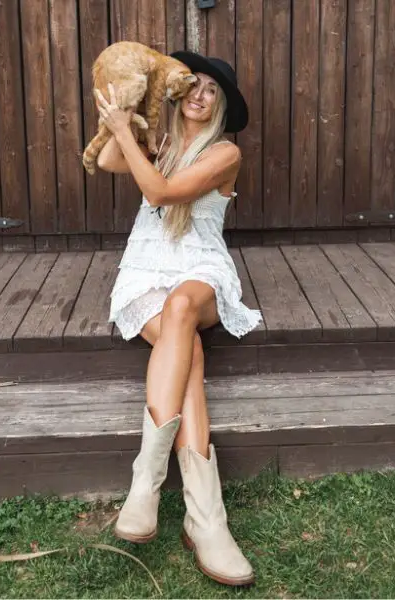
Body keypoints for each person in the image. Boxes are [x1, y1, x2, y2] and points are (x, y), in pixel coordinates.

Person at [95, 51, 261, 587]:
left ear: (220, 106)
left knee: (182, 307)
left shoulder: (226, 153)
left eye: (212, 90)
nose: (199, 95)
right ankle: (206, 519)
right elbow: (106, 164)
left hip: (198, 268)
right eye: (193, 84)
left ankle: (145, 481)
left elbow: (160, 191)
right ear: (178, 91)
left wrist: (126, 131)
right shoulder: (161, 144)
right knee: (184, 346)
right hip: (146, 269)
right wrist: (126, 120)